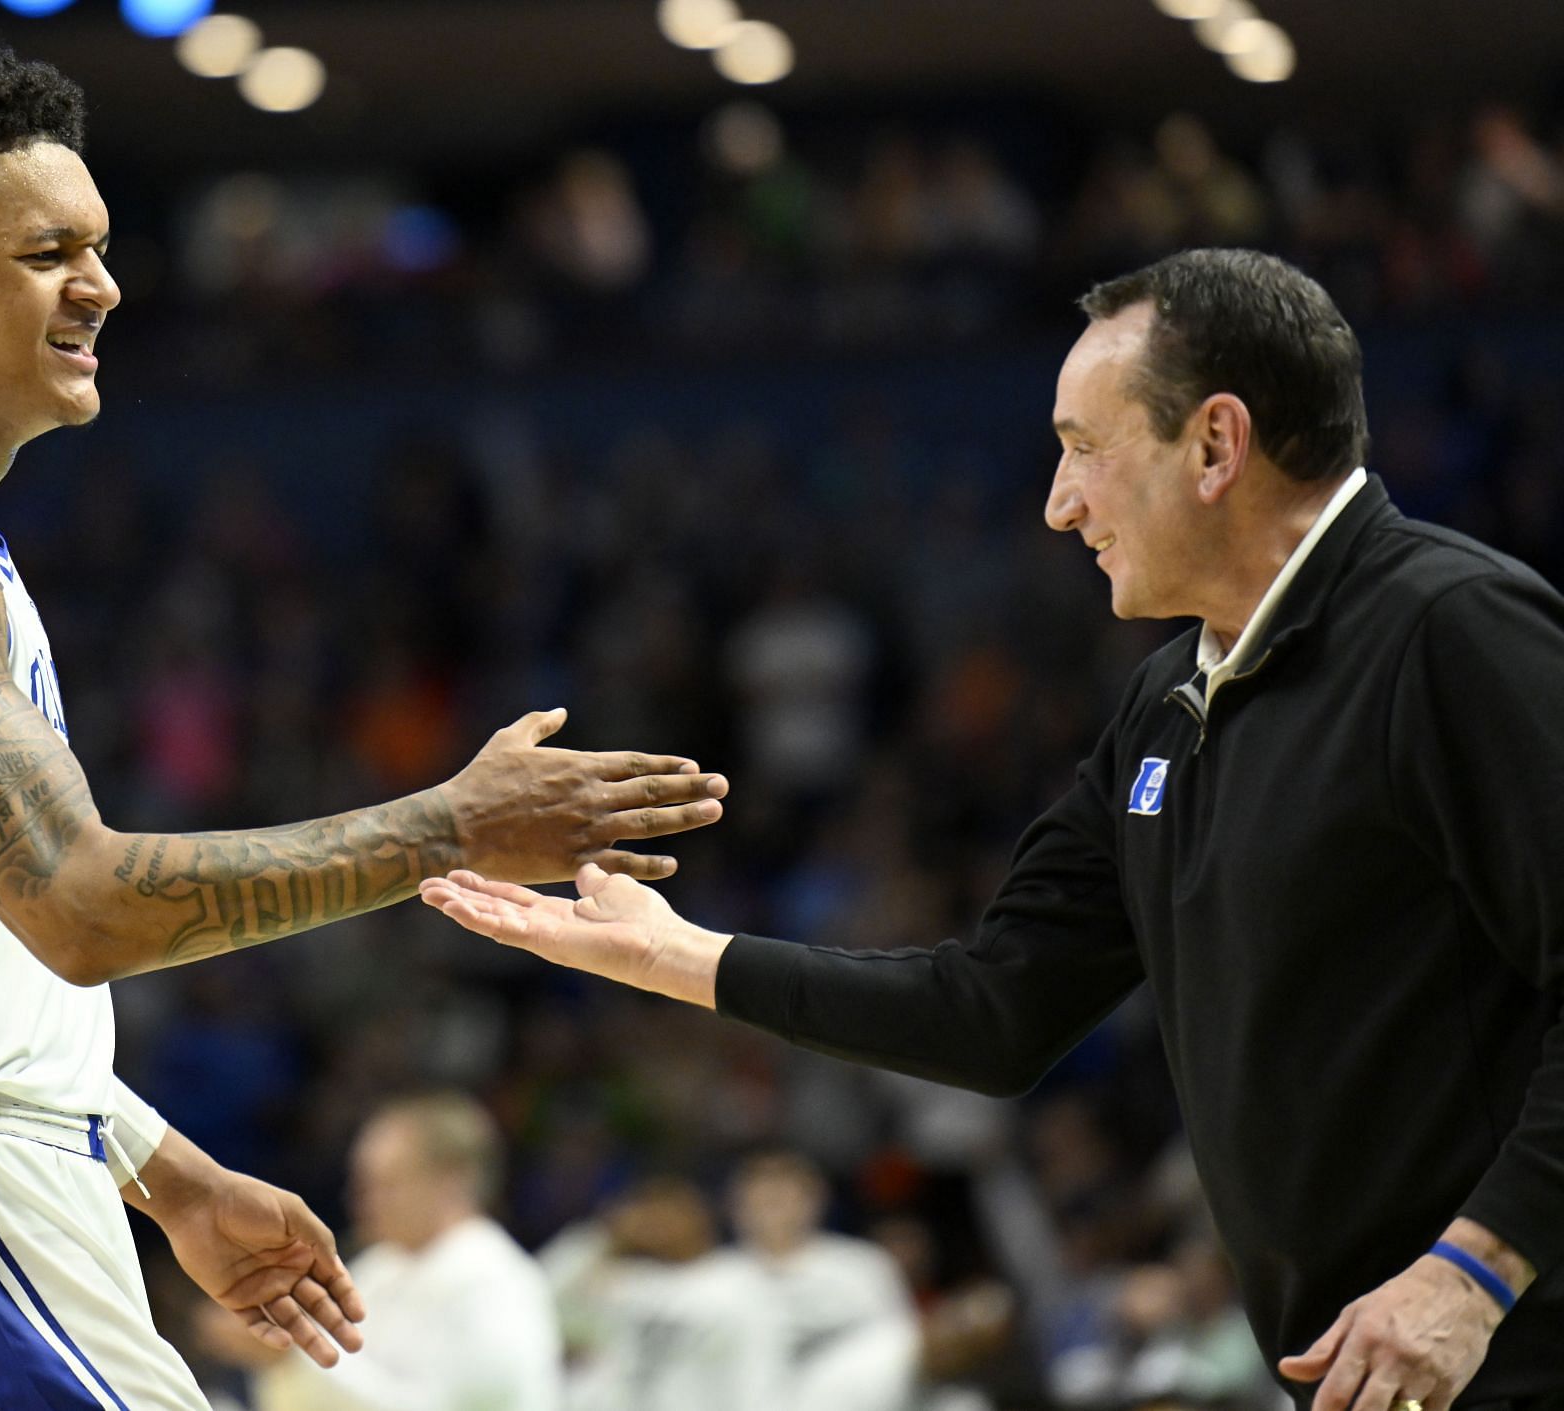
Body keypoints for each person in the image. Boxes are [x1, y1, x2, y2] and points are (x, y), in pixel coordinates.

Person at [0, 43, 726, 1411]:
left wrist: (163, 1169)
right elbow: (80, 906)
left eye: (103, 246)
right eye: (46, 251)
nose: (103, 285)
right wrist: (453, 825)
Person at [424, 247, 1564, 1410]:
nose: (1059, 503)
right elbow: (996, 1013)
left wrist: (1476, 1269)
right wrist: (677, 955)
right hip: (1372, 1378)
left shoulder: (1453, 632)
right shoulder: (1168, 698)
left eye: (1084, 449)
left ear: (1216, 444)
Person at [226, 1092, 561, 1411]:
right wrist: (277, 1350)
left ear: (451, 1181)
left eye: (385, 1184)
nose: (360, 1200)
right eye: (361, 1184)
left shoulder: (496, 1284)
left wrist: (293, 1360)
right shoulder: (379, 1268)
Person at [538, 1176, 792, 1411]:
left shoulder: (735, 1280)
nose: (656, 1224)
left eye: (669, 1213)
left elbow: (756, 1373)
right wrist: (607, 1239)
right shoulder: (621, 1276)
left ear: (698, 1219)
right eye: (645, 1212)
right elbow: (543, 1311)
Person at [713, 1150, 920, 1411]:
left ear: (816, 1200)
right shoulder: (709, 1279)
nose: (773, 1204)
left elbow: (901, 1352)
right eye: (762, 1195)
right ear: (734, 1206)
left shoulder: (863, 1267)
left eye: (784, 1194)